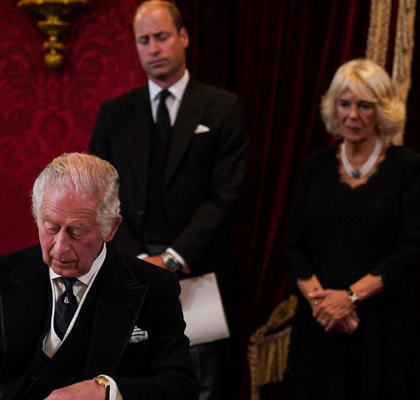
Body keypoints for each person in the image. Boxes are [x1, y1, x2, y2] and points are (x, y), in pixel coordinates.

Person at [0, 153, 198, 400]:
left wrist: (105, 390)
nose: (60, 247)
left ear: (111, 228)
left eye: (77, 231)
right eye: (51, 227)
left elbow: (181, 386)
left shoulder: (154, 287)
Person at [90, 2, 248, 398]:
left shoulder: (223, 107)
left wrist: (173, 259)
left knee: (201, 385)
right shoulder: (114, 114)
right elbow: (100, 197)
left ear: (184, 37)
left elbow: (225, 196)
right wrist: (141, 262)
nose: (153, 48)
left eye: (161, 37)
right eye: (144, 40)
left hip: (198, 275)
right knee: (132, 382)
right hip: (129, 272)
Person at [284, 58, 420, 399]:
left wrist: (349, 299)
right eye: (345, 104)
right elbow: (292, 244)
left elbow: (410, 249)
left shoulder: (408, 167)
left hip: (379, 327)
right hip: (319, 324)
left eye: (365, 106)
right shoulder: (314, 167)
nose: (352, 115)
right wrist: (325, 306)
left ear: (383, 111)